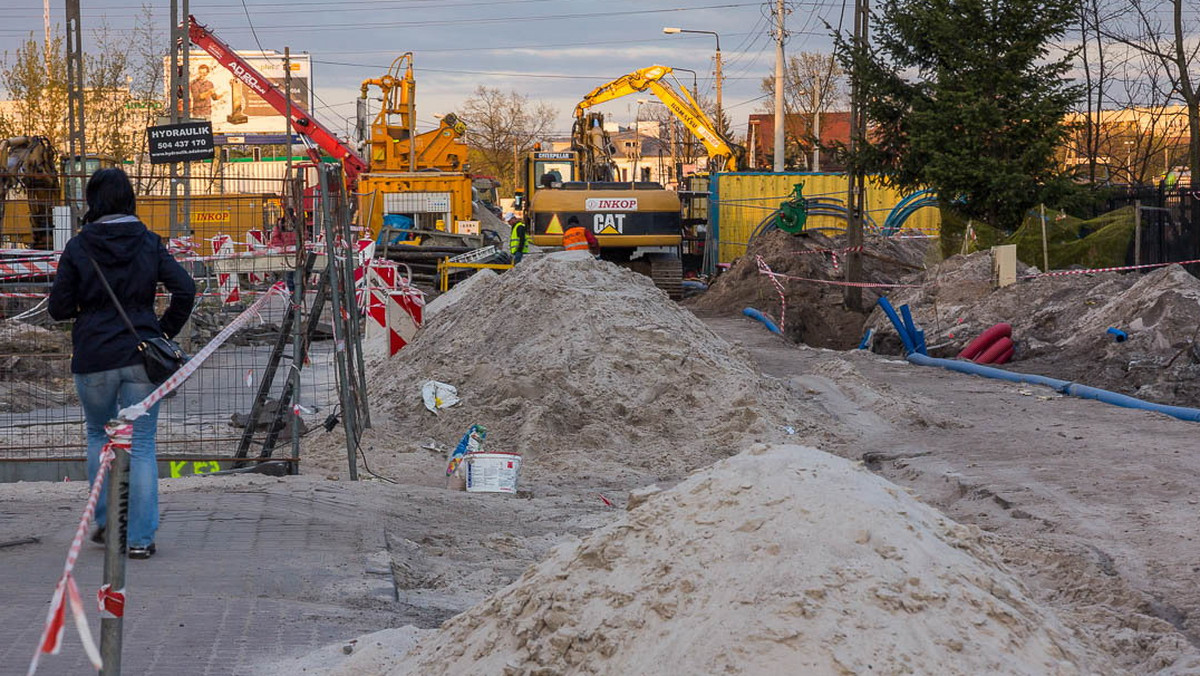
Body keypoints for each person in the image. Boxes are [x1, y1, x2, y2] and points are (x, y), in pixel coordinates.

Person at [48, 169, 196, 560]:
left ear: (93, 201)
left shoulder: (79, 248)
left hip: (94, 356)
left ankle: (107, 524)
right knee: (143, 445)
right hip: (141, 358)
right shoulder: (148, 242)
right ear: (129, 198)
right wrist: (160, 330)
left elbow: (58, 309)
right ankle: (140, 540)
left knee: (99, 435)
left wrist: (87, 308)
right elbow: (185, 288)